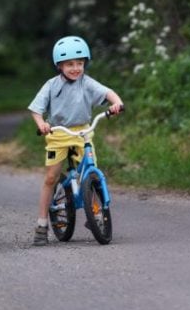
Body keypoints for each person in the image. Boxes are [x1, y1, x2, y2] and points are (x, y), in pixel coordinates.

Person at [28, 36, 123, 246]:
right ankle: (42, 223)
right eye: (70, 64)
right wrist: (41, 123)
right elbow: (36, 109)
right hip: (58, 133)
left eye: (80, 63)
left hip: (83, 132)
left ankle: (94, 211)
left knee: (91, 172)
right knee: (51, 177)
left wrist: (116, 103)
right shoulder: (51, 85)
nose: (75, 68)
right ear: (59, 65)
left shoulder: (86, 82)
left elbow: (107, 92)